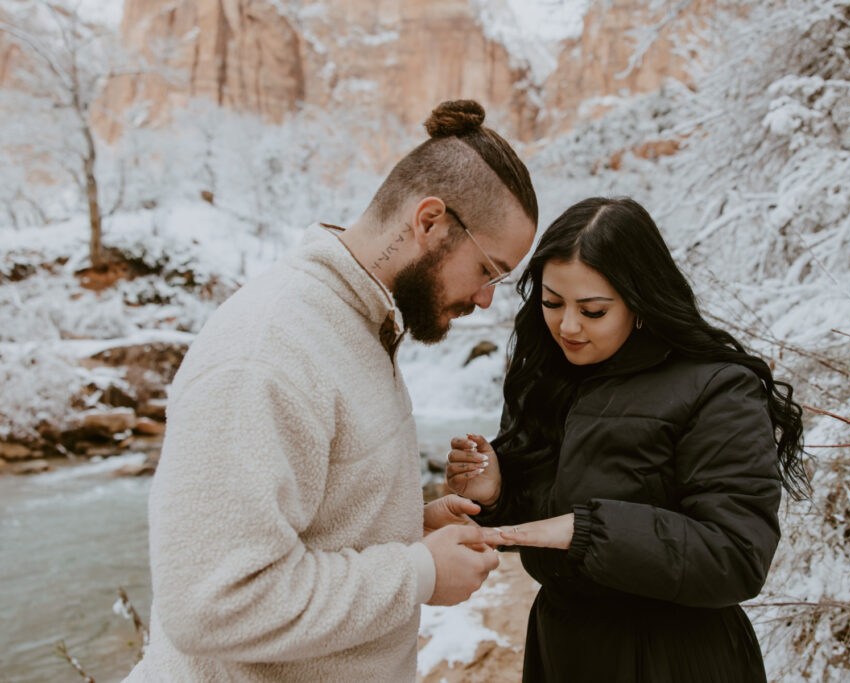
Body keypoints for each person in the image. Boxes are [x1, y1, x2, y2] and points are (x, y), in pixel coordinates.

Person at [125, 100, 538, 682]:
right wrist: (417, 573)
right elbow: (211, 603)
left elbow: (314, 522)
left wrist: (404, 529)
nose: (487, 299)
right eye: (488, 271)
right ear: (429, 223)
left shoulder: (359, 323)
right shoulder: (267, 351)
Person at [445, 197, 810, 682]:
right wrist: (496, 493)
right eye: (552, 303)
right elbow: (545, 510)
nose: (567, 327)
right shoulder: (546, 376)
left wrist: (590, 532)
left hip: (676, 657)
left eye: (593, 311)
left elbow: (737, 557)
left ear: (640, 300)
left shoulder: (715, 386)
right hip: (563, 649)